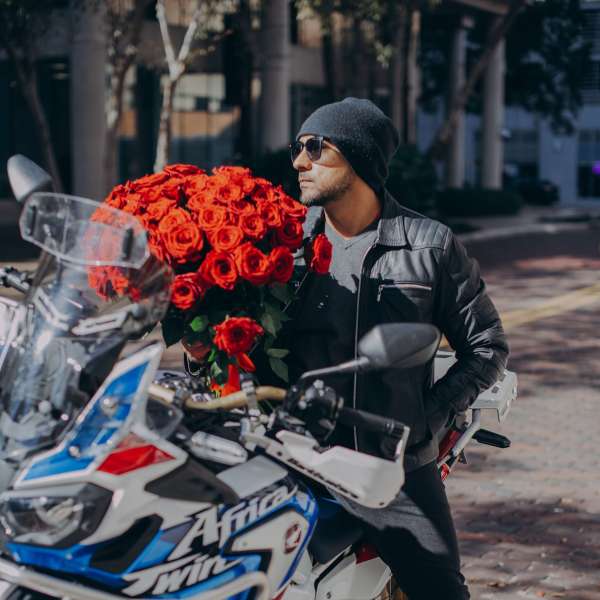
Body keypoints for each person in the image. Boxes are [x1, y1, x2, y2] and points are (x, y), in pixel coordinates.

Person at [285, 97, 509, 600]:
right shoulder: (286, 245)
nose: (299, 161)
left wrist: (424, 421)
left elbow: (487, 345)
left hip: (395, 473)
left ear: (360, 157)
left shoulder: (430, 246)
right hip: (297, 462)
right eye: (297, 147)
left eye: (315, 147)